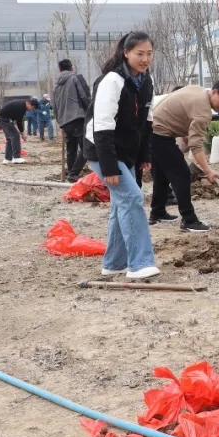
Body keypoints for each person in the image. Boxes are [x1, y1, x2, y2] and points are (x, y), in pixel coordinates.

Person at [82, 31, 160, 280]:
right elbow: (102, 125)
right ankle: (140, 263)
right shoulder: (112, 80)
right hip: (102, 150)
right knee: (132, 198)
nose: (145, 59)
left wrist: (145, 154)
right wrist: (109, 167)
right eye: (140, 54)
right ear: (126, 53)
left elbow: (147, 121)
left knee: (121, 204)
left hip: (127, 152)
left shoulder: (146, 81)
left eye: (149, 54)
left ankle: (114, 263)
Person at [148, 80, 219, 232]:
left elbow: (182, 114)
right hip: (159, 135)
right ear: (214, 92)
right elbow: (196, 146)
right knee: (182, 174)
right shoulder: (203, 112)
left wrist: (186, 136)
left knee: (162, 175)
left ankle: (157, 212)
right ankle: (189, 220)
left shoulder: (198, 90)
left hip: (149, 131)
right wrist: (208, 171)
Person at [52, 59, 91, 182]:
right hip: (78, 118)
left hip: (65, 122)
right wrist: (91, 113)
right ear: (72, 68)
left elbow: (54, 106)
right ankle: (73, 173)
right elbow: (85, 96)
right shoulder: (76, 78)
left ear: (59, 70)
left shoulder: (56, 86)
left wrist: (60, 123)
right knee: (87, 147)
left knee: (71, 149)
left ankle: (71, 174)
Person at [0, 97, 39, 164]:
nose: (32, 110)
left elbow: (19, 120)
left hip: (4, 119)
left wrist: (22, 133)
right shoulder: (20, 107)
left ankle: (7, 159)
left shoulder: (22, 105)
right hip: (4, 120)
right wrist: (22, 133)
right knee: (15, 136)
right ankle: (16, 157)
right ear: (29, 104)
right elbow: (19, 121)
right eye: (32, 108)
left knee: (10, 138)